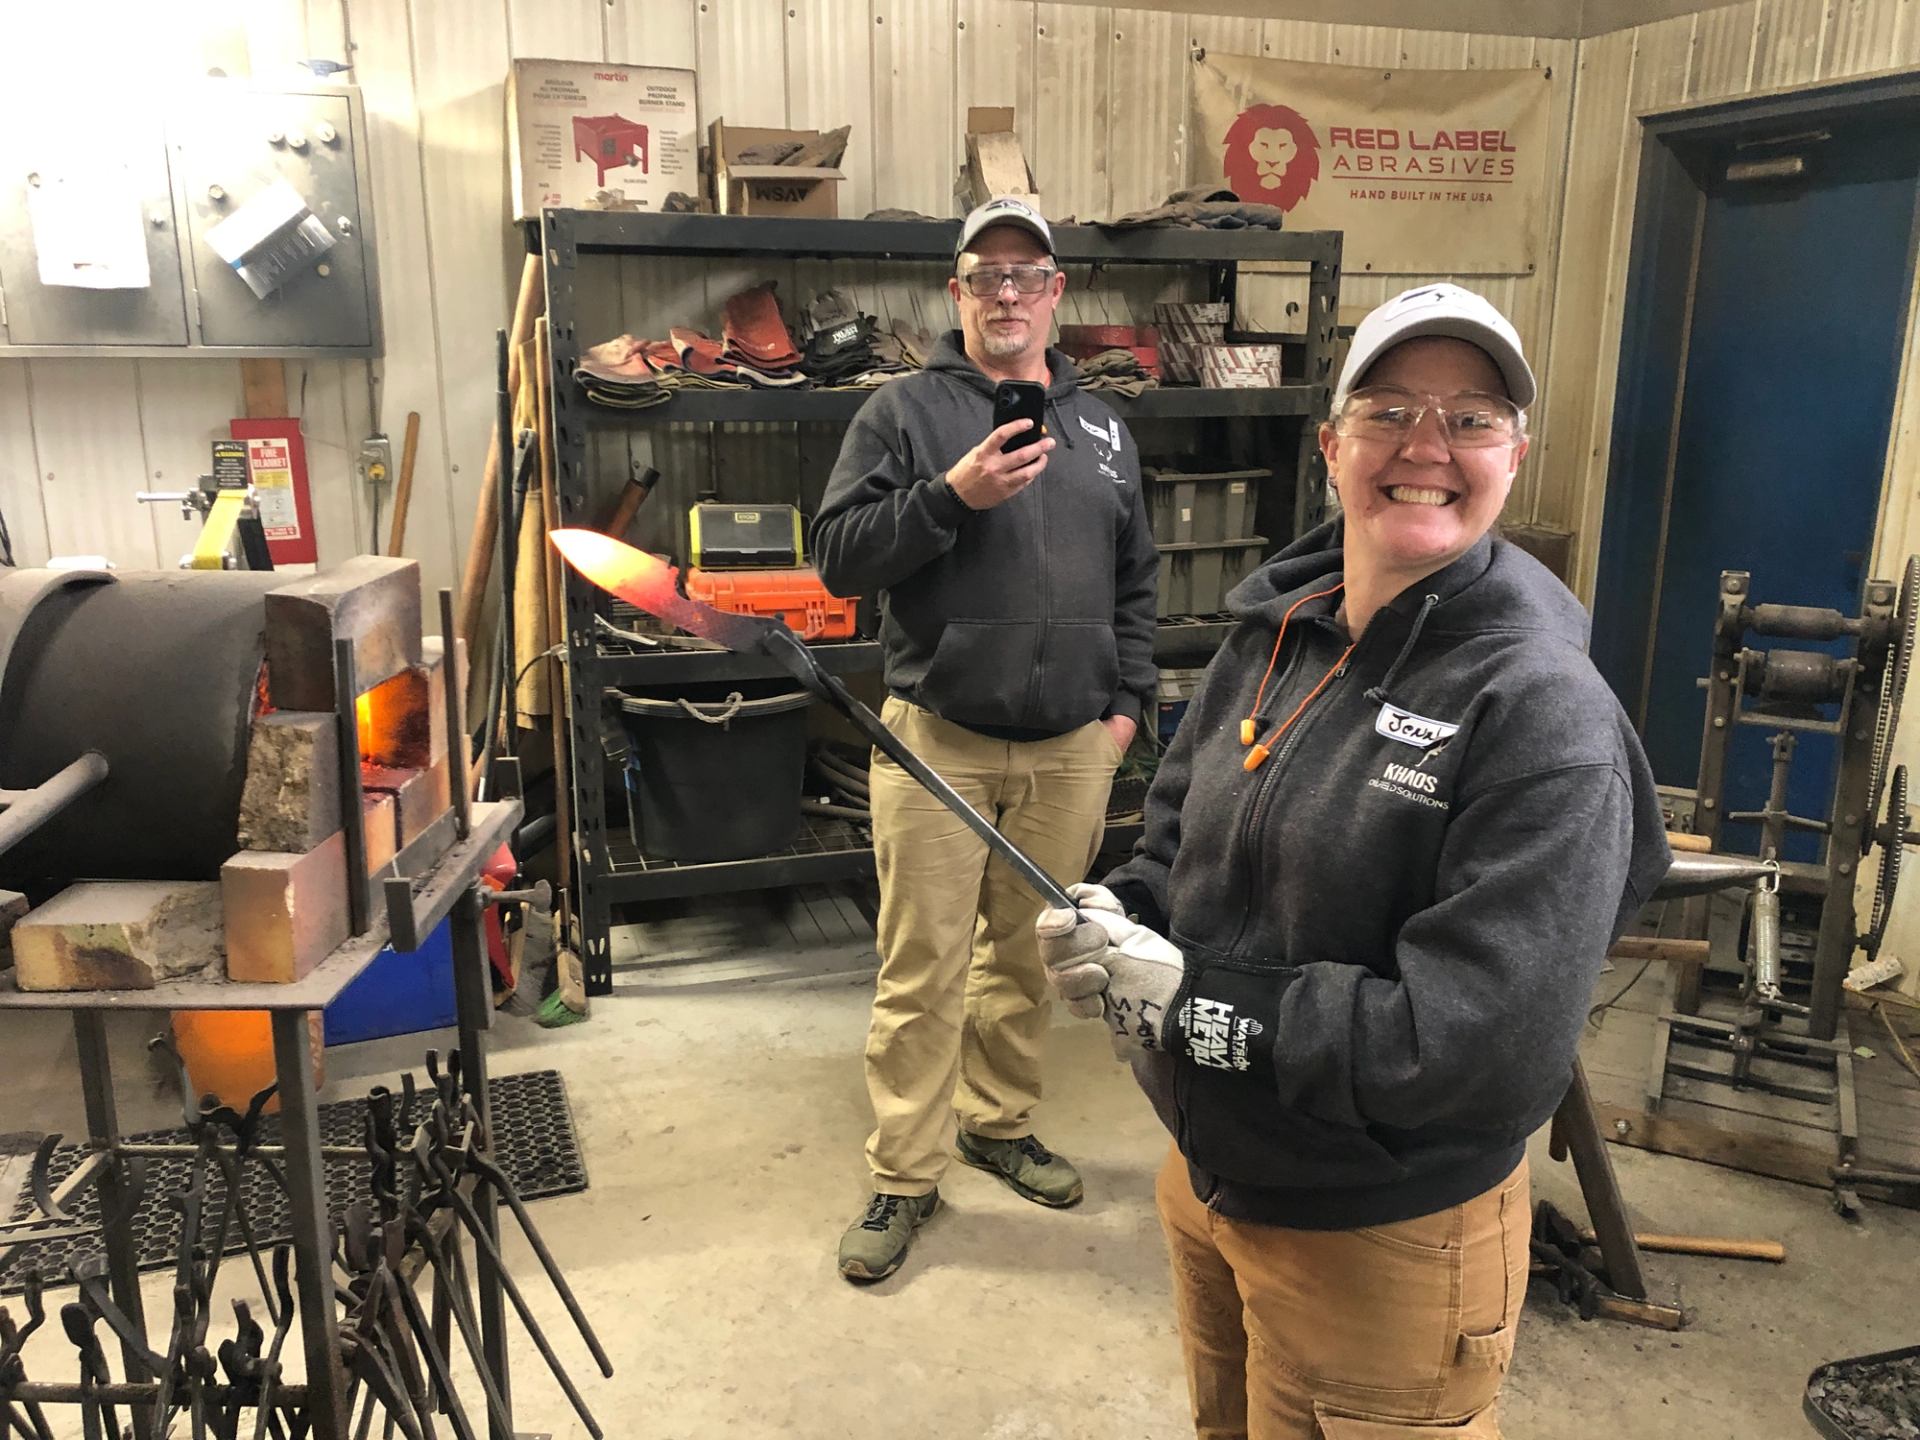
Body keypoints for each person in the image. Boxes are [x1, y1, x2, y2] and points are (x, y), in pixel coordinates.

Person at [1035, 283, 1671, 1436]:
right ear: (1331, 446)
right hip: (1211, 1175)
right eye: (1387, 411)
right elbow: (1175, 841)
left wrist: (1198, 999)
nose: (1426, 447)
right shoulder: (1270, 632)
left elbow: (1482, 1046)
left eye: (1472, 419)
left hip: (1384, 1230)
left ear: (1514, 457)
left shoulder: (1538, 707)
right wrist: (1114, 909)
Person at [813, 196, 1159, 1283]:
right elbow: (838, 558)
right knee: (920, 970)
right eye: (985, 274)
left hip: (1072, 747)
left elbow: (1138, 580)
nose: (1007, 291)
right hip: (939, 742)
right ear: (956, 294)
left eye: (1029, 273)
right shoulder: (902, 413)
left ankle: (997, 1124)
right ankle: (903, 1174)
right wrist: (950, 497)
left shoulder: (1105, 428)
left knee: (1027, 957)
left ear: (1058, 295)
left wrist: (1124, 713)